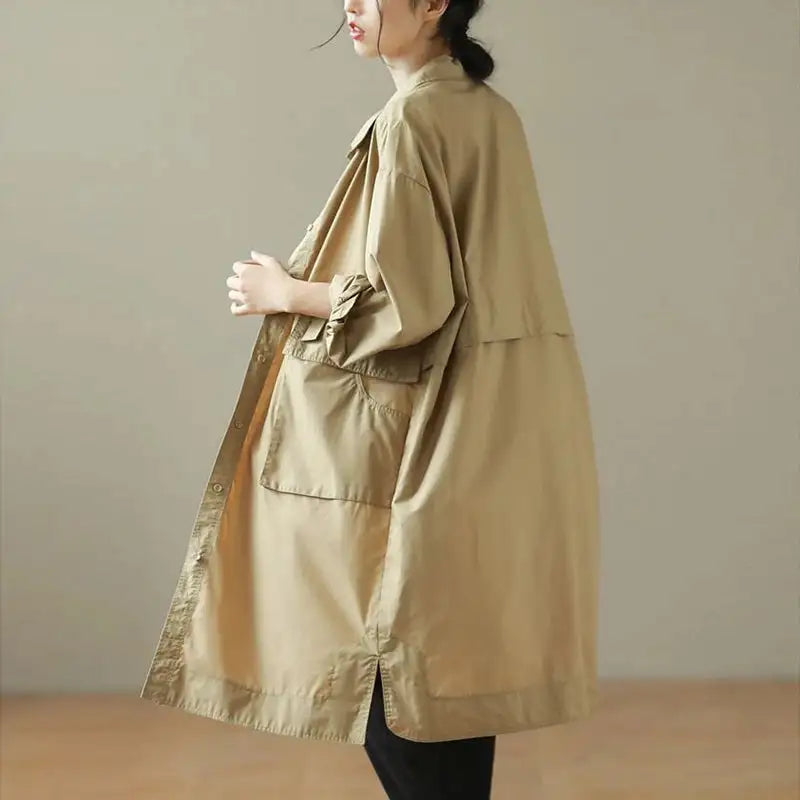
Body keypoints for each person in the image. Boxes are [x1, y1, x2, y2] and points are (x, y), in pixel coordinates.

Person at [141, 2, 600, 799]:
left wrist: (285, 292)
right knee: (447, 676)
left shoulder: (412, 122)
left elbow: (406, 304)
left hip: (425, 435)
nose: (352, 5)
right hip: (495, 425)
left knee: (399, 676)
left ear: (434, 5)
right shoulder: (487, 112)